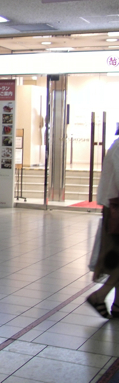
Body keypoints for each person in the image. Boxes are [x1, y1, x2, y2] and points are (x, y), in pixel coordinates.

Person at [87, 135, 119, 319]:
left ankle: (117, 304)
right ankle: (99, 295)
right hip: (116, 209)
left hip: (113, 208)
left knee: (117, 256)